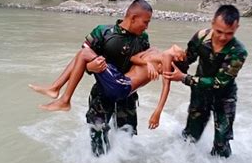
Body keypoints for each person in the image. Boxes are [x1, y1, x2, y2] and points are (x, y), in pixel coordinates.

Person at [29, 0, 152, 156]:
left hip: (127, 96)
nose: (147, 26)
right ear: (133, 17)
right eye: (145, 22)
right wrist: (89, 68)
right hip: (101, 96)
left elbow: (140, 66)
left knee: (126, 137)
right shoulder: (103, 32)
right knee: (98, 137)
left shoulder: (143, 39)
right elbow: (80, 61)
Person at [163, 5, 248, 158]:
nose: (223, 37)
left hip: (224, 96)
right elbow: (187, 60)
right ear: (213, 23)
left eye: (229, 33)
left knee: (222, 143)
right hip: (200, 93)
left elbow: (218, 82)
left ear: (237, 28)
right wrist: (173, 56)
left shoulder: (238, 51)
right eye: (219, 31)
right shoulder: (201, 37)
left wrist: (184, 78)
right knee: (190, 137)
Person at [30, 44, 186, 127]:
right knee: (83, 52)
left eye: (181, 57)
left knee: (85, 53)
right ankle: (55, 88)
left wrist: (157, 112)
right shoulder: (154, 51)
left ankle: (64, 99)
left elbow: (166, 86)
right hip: (119, 81)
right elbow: (133, 58)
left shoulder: (167, 57)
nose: (181, 55)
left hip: (123, 86)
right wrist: (148, 63)